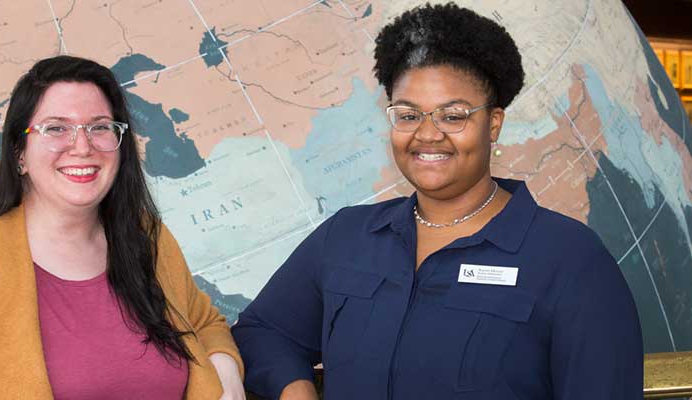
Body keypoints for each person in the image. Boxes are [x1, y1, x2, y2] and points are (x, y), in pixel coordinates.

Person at [232, 3, 643, 399]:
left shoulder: (570, 260)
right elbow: (262, 332)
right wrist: (295, 389)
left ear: (493, 123)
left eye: (453, 115)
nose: (427, 134)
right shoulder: (346, 238)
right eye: (409, 115)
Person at [0, 55, 244, 400]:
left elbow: (205, 323)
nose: (82, 146)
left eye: (99, 127)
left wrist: (226, 376)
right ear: (20, 152)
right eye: (57, 128)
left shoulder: (146, 237)